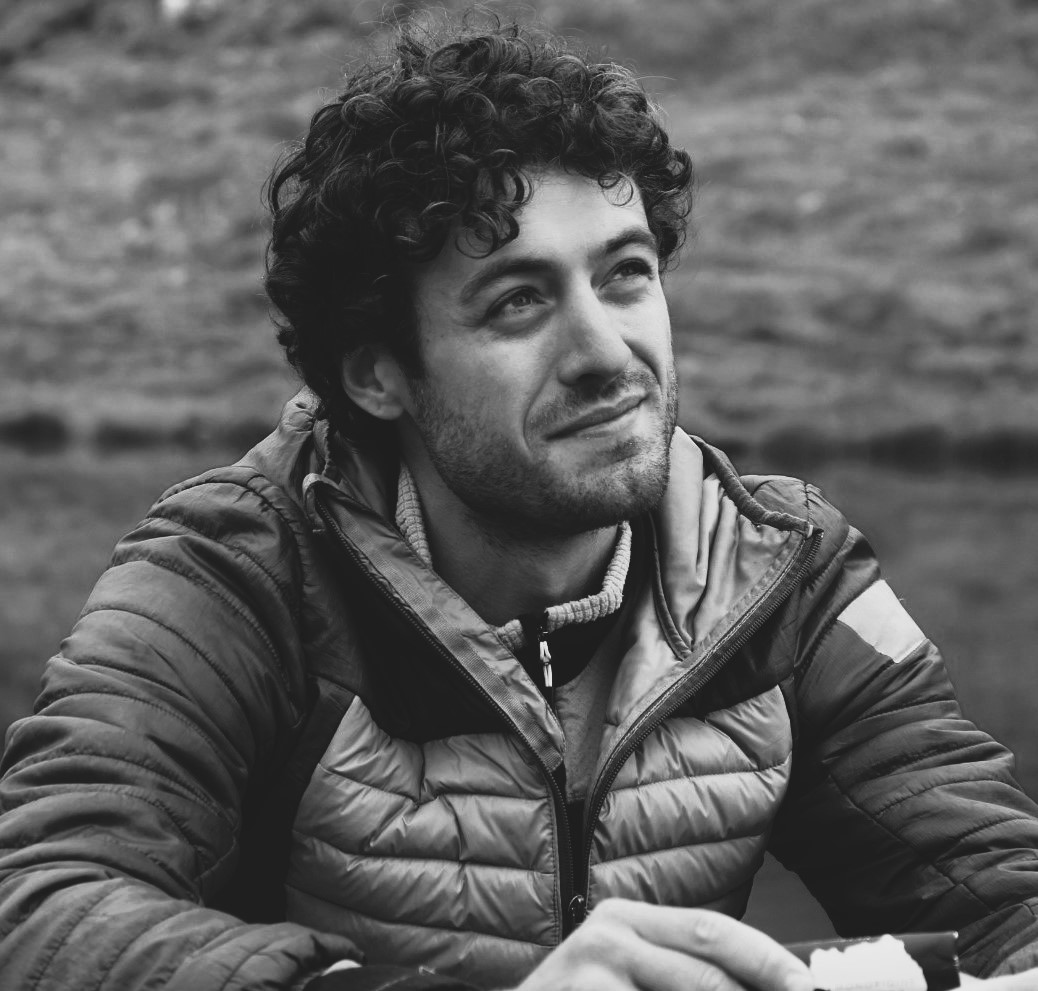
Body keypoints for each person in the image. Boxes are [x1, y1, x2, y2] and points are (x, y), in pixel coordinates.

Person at [1, 15, 1036, 991]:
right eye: (519, 302)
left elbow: (1004, 898)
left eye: (625, 275)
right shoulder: (234, 571)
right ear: (376, 374)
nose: (605, 353)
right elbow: (39, 906)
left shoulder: (784, 572)